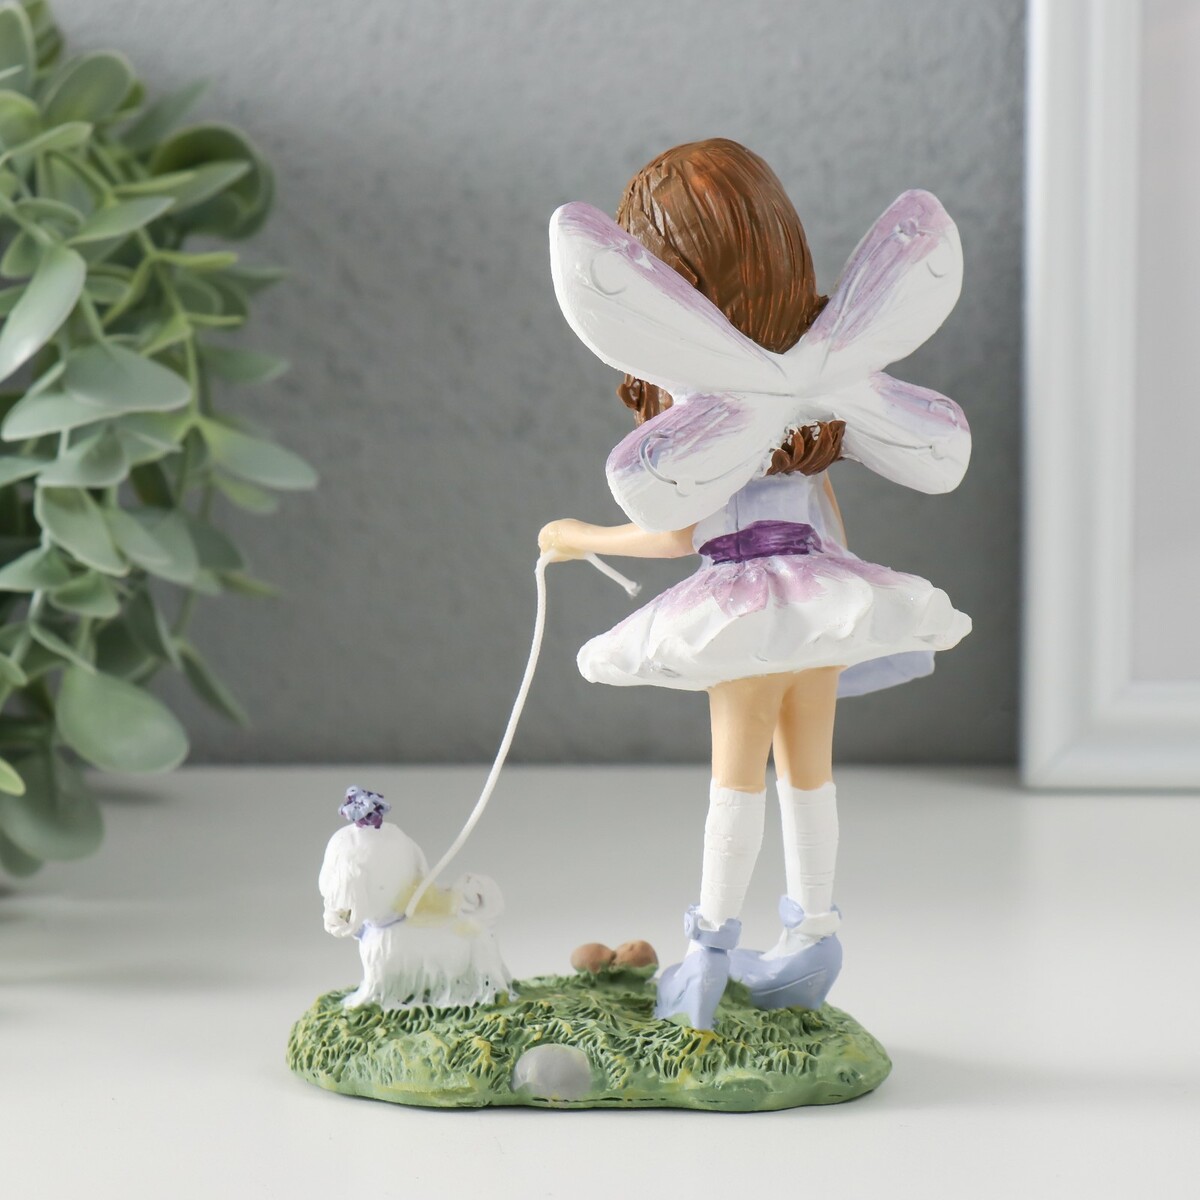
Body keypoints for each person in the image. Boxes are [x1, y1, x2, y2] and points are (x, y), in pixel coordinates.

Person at [540, 138, 971, 1030]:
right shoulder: (820, 383)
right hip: (821, 593)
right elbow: (824, 515)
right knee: (809, 775)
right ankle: (814, 936)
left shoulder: (709, 403)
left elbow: (676, 532)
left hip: (740, 606)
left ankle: (708, 954)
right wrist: (844, 597)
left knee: (735, 777)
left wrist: (580, 537)